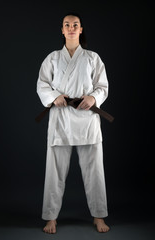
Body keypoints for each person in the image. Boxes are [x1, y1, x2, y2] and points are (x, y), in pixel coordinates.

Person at [37, 12, 110, 234]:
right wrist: (53, 96)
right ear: (62, 30)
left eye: (75, 25)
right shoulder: (52, 58)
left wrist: (93, 98)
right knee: (54, 171)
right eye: (66, 25)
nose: (70, 28)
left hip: (86, 118)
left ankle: (99, 216)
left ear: (80, 29)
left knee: (94, 170)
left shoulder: (92, 58)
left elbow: (102, 85)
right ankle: (51, 217)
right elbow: (42, 84)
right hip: (61, 117)